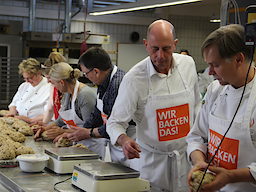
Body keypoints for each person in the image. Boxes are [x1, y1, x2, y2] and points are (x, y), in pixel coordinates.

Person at [107, 19, 201, 192]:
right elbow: (114, 123)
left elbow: (196, 106)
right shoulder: (134, 79)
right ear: (145, 45)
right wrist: (124, 140)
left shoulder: (188, 65)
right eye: (154, 48)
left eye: (166, 48)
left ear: (175, 44)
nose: (160, 56)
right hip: (152, 165)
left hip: (185, 160)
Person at [186, 24, 256, 192]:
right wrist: (199, 162)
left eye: (215, 65)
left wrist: (231, 176)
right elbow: (197, 137)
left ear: (239, 59)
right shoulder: (215, 90)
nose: (209, 72)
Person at [57, 47, 137, 164]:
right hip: (117, 144)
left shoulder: (117, 84)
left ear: (96, 71)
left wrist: (87, 133)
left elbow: (113, 124)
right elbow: (97, 113)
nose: (86, 77)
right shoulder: (104, 80)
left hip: (130, 143)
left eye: (86, 73)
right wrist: (82, 130)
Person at [35, 62, 96, 146]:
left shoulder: (85, 95)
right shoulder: (67, 93)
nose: (54, 87)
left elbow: (89, 130)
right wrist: (46, 128)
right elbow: (61, 121)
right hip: (74, 143)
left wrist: (63, 131)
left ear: (62, 82)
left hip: (90, 146)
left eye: (53, 83)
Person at [7, 58, 51, 123]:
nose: (27, 81)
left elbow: (51, 113)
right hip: (19, 122)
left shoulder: (49, 87)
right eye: (25, 78)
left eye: (30, 78)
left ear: (39, 73)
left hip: (39, 123)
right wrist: (12, 113)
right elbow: (14, 104)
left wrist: (30, 120)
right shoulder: (24, 86)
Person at [41, 52, 67, 124]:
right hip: (60, 126)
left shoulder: (68, 89)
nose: (48, 82)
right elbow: (50, 108)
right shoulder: (53, 86)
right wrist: (43, 125)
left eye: (49, 78)